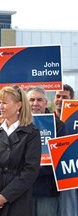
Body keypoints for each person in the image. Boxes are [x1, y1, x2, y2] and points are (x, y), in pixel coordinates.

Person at [0, 85, 41, 216]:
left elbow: (30, 171)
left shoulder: (31, 133)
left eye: (4, 103)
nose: (0, 106)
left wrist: (5, 196)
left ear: (18, 105)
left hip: (16, 199)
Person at [26, 86, 67, 216]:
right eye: (31, 100)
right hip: (22, 191)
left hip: (47, 191)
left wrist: (29, 171)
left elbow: (60, 159)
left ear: (46, 102)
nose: (35, 104)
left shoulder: (58, 126)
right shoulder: (16, 124)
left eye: (39, 100)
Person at [53, 84, 77, 216]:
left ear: (71, 99)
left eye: (64, 97)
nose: (60, 99)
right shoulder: (46, 118)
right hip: (51, 174)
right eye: (58, 96)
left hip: (70, 169)